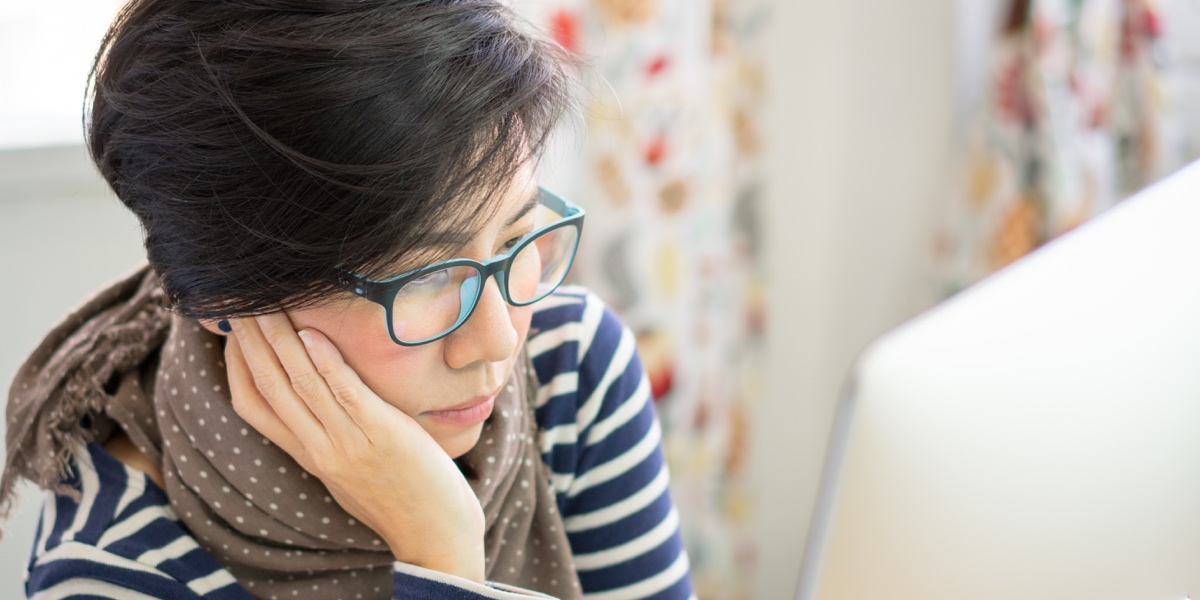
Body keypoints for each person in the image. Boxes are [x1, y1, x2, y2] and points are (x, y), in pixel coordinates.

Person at [0, 0, 694, 598]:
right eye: (424, 275)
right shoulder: (113, 568)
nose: (499, 341)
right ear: (226, 299)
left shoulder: (569, 371)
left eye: (517, 239)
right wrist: (443, 558)